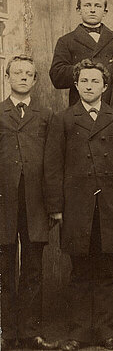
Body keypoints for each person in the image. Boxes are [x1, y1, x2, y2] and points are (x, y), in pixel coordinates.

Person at [45, 59, 113, 351]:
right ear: (76, 85)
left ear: (105, 86)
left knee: (106, 270)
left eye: (95, 82)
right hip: (77, 206)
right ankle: (78, 331)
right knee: (79, 270)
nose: (89, 86)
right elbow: (53, 165)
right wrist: (56, 205)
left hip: (108, 204)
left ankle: (106, 330)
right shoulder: (63, 119)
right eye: (84, 82)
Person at [0, 56, 55, 351]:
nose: (23, 77)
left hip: (36, 202)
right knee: (5, 266)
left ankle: (30, 331)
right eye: (17, 73)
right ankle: (7, 333)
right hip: (3, 202)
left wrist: (53, 204)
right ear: (7, 77)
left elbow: (54, 163)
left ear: (35, 80)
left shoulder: (46, 116)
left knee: (34, 267)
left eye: (28, 74)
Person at [49, 0, 113, 107]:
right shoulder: (66, 40)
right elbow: (57, 77)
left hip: (111, 105)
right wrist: (87, 67)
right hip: (79, 105)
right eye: (87, 5)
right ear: (78, 10)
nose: (92, 10)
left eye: (98, 6)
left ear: (105, 12)